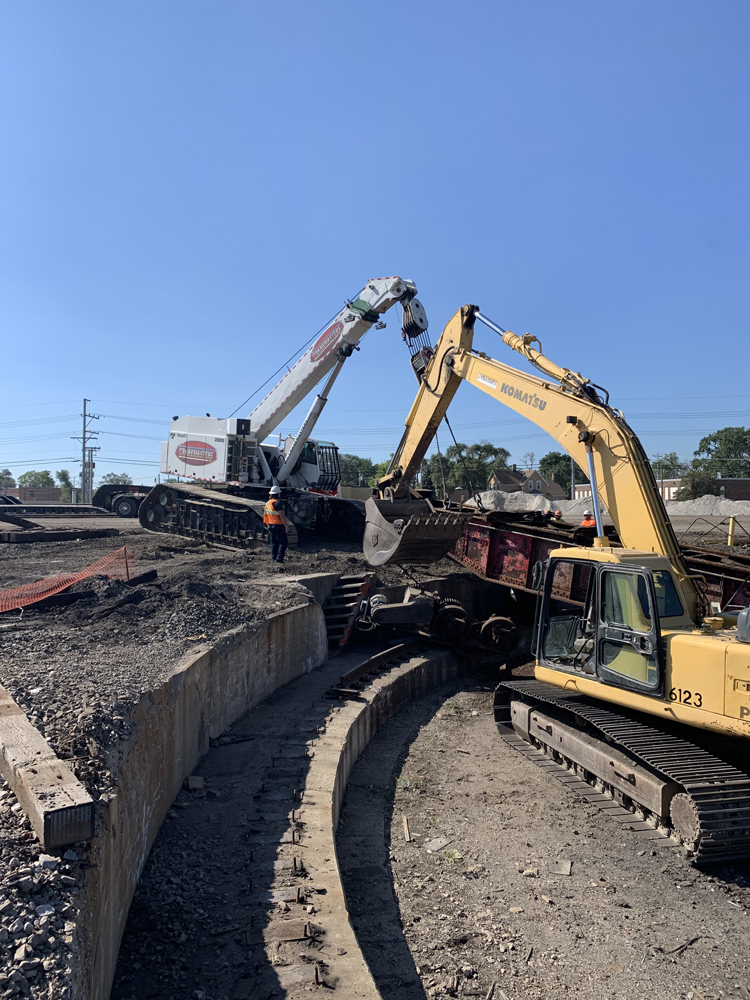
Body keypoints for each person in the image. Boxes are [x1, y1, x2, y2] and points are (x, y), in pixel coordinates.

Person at [264, 485, 289, 565]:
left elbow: (266, 515)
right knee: (283, 542)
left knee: (274, 542)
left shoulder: (268, 503)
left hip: (270, 525)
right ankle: (279, 559)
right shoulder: (278, 503)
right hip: (278, 525)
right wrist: (286, 525)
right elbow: (282, 516)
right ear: (278, 494)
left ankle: (274, 558)